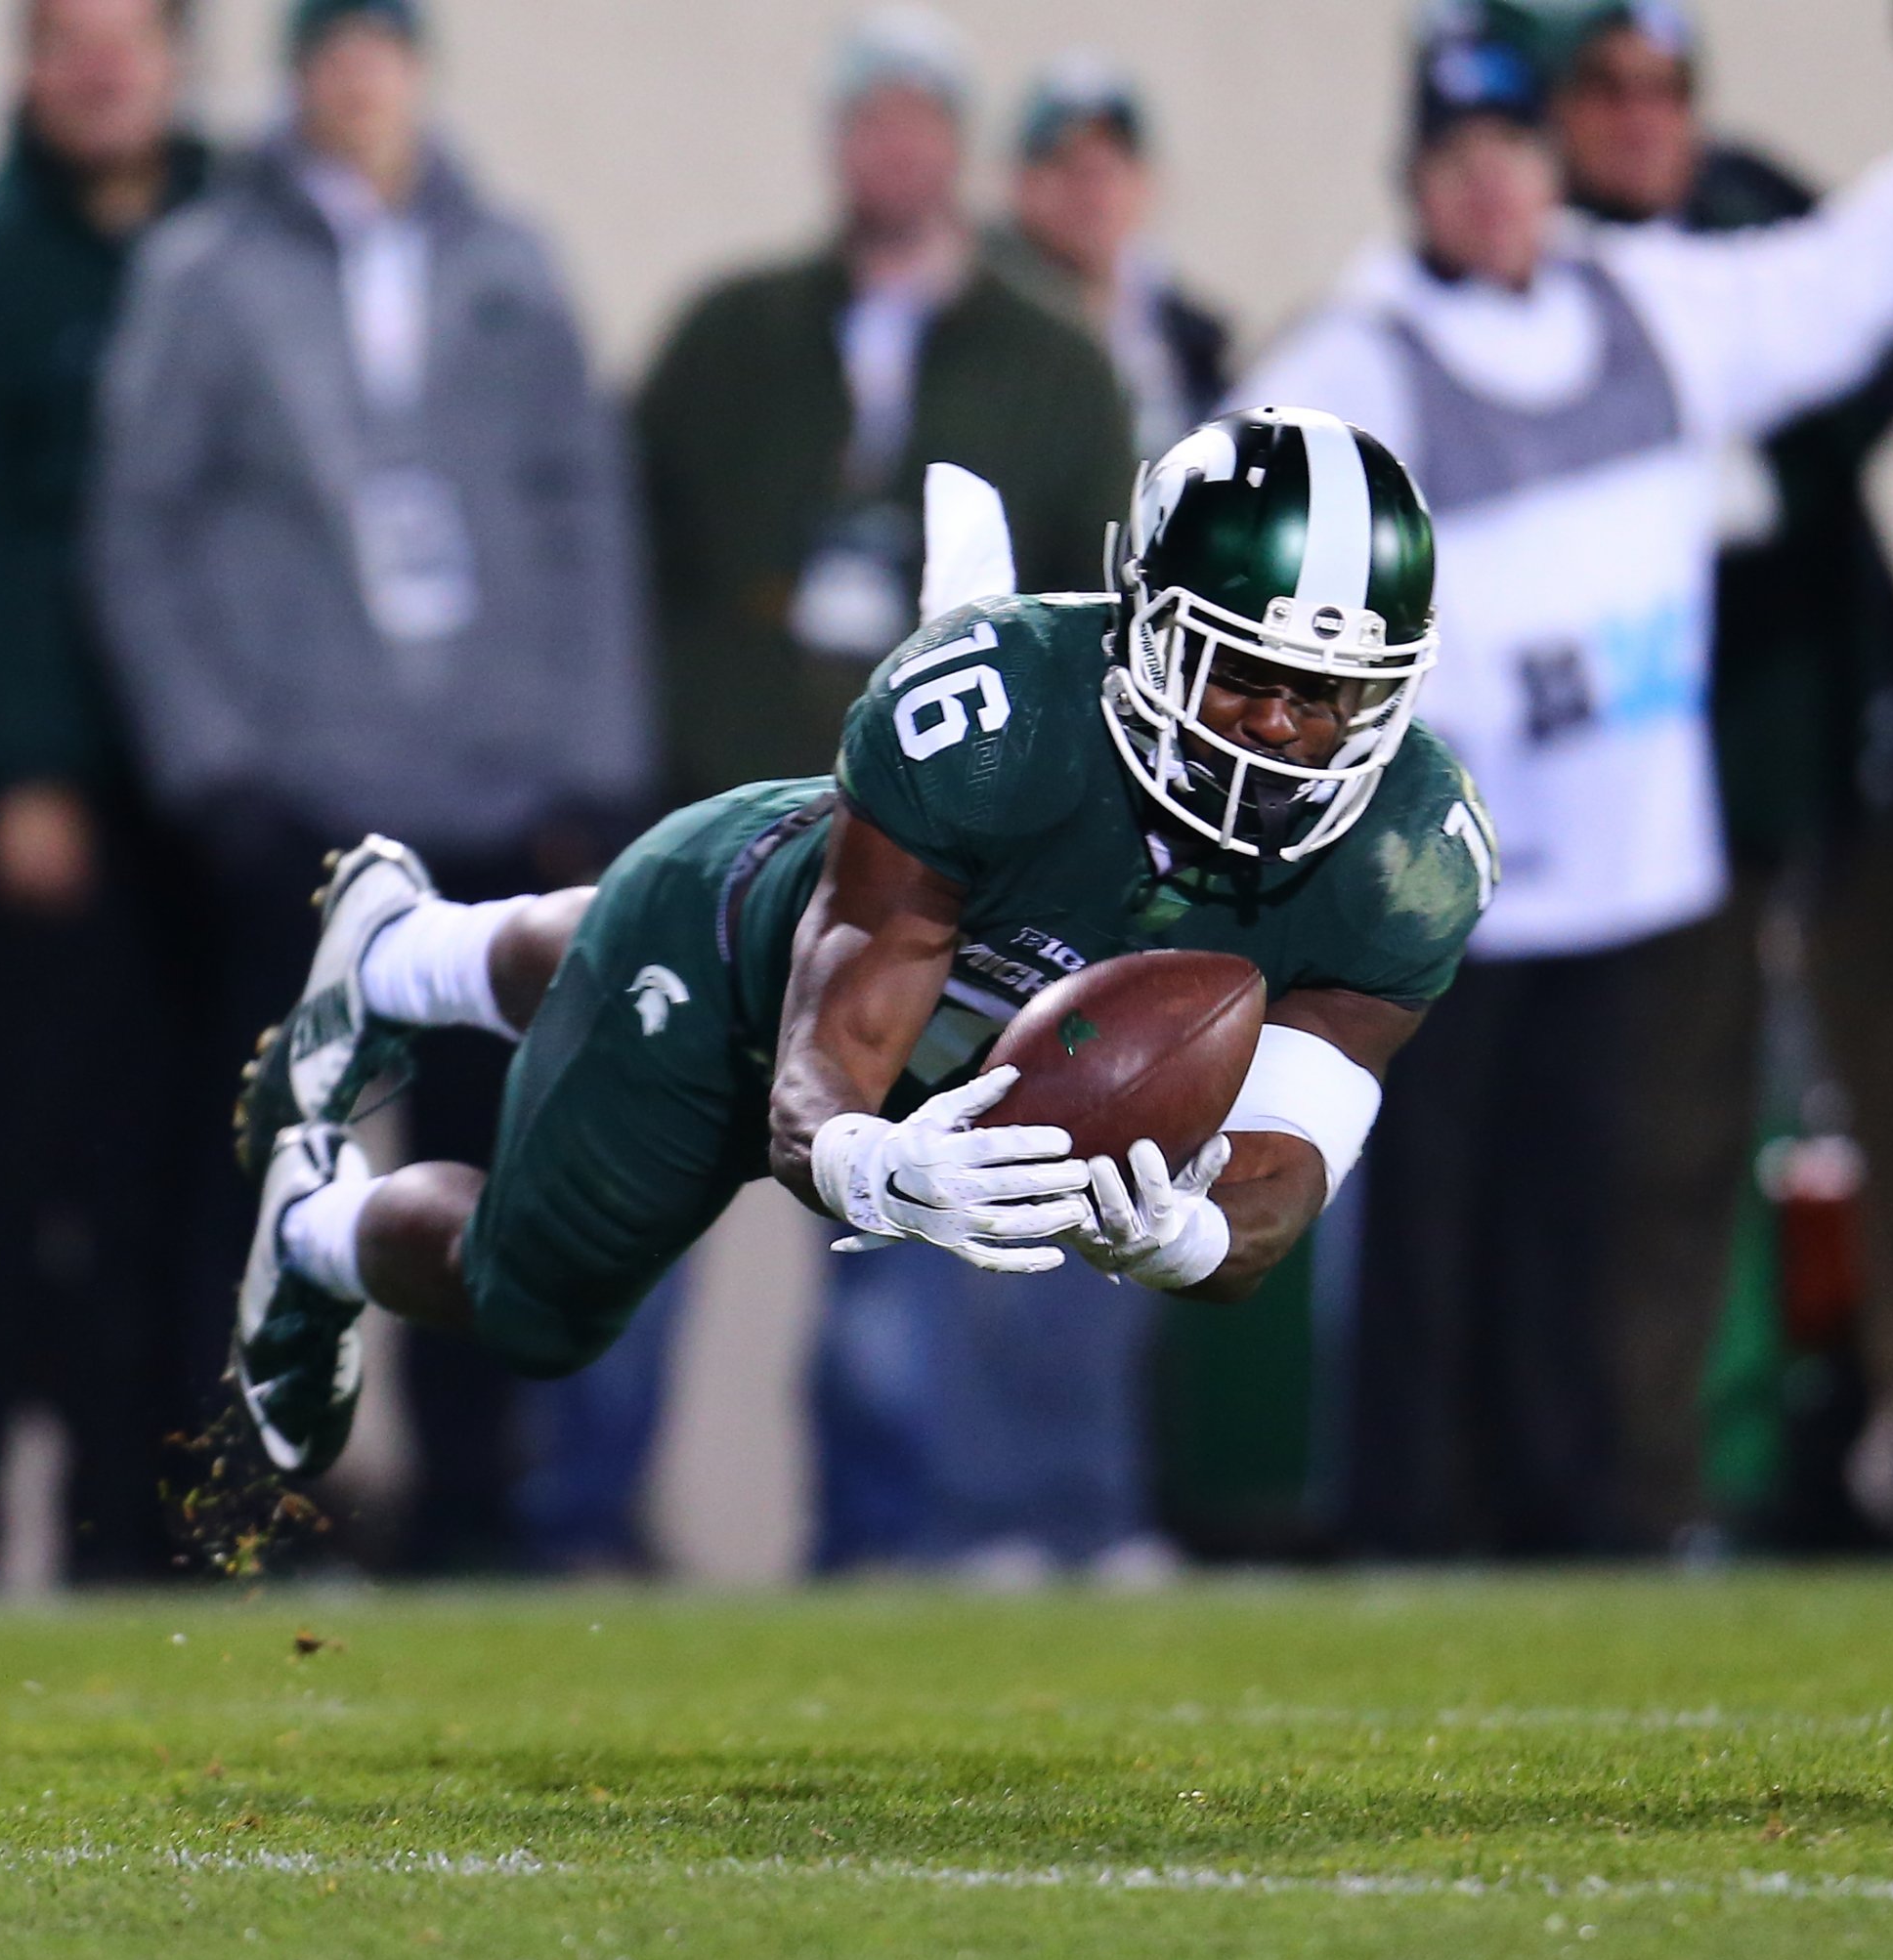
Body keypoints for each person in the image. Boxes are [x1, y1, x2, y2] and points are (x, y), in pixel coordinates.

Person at [219, 411, 1495, 1498]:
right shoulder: (998, 718)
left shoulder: (1406, 862)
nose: (1273, 728)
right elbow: (832, 1038)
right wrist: (868, 1167)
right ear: (1144, 622)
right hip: (733, 953)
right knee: (532, 1303)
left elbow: (1284, 1172)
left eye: (1323, 692)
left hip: (929, 1034)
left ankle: (401, 947)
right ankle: (320, 1220)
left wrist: (1193, 1241)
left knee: (602, 972)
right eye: (1236, 672)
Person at [1240, 1, 1893, 1556]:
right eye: (1453, 161)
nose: (1488, 189)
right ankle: (1411, 1520)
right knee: (1433, 1220)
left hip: (1635, 879)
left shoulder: (1649, 306)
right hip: (1440, 889)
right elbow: (1228, 522)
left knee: (1600, 1219)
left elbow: (1819, 291)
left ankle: (1585, 1514)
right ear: (1416, 183)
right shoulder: (1358, 359)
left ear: (1541, 162)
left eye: (1508, 150)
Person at [93, 0, 649, 1570]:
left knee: (503, 1160)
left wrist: (589, 767)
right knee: (277, 1145)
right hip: (304, 795)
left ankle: (477, 1509)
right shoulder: (204, 271)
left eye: (378, 48)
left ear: (415, 66)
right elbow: (141, 530)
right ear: (296, 74)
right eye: (328, 51)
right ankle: (237, 1506)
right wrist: (211, 767)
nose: (355, 80)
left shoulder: (508, 262)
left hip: (490, 795)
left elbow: (580, 518)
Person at [1542, 0, 1893, 1555]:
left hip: (1839, 696)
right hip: (1677, 749)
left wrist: (1781, 454)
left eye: (1661, 87)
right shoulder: (1541, 267)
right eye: (1601, 88)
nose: (1636, 116)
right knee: (1673, 1117)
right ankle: (1654, 1472)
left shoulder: (1751, 206)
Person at [0, 0, 208, 1583]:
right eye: (69, 34)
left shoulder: (236, 239)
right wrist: (23, 761)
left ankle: (142, 1529)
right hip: (39, 807)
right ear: (27, 65)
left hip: (206, 804)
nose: (100, 64)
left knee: (182, 1178)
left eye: (128, 33)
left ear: (176, 57)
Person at [636, 5, 1136, 808]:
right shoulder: (731, 336)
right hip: (731, 789)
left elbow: (1098, 600)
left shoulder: (1056, 365)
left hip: (961, 807)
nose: (896, 146)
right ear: (834, 138)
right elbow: (640, 542)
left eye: (920, 118)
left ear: (959, 142)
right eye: (871, 118)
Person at [982, 53, 1234, 459]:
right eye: (1066, 165)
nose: (1090, 191)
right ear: (1020, 184)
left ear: (1146, 184)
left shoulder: (1193, 344)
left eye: (1108, 167)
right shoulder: (974, 324)